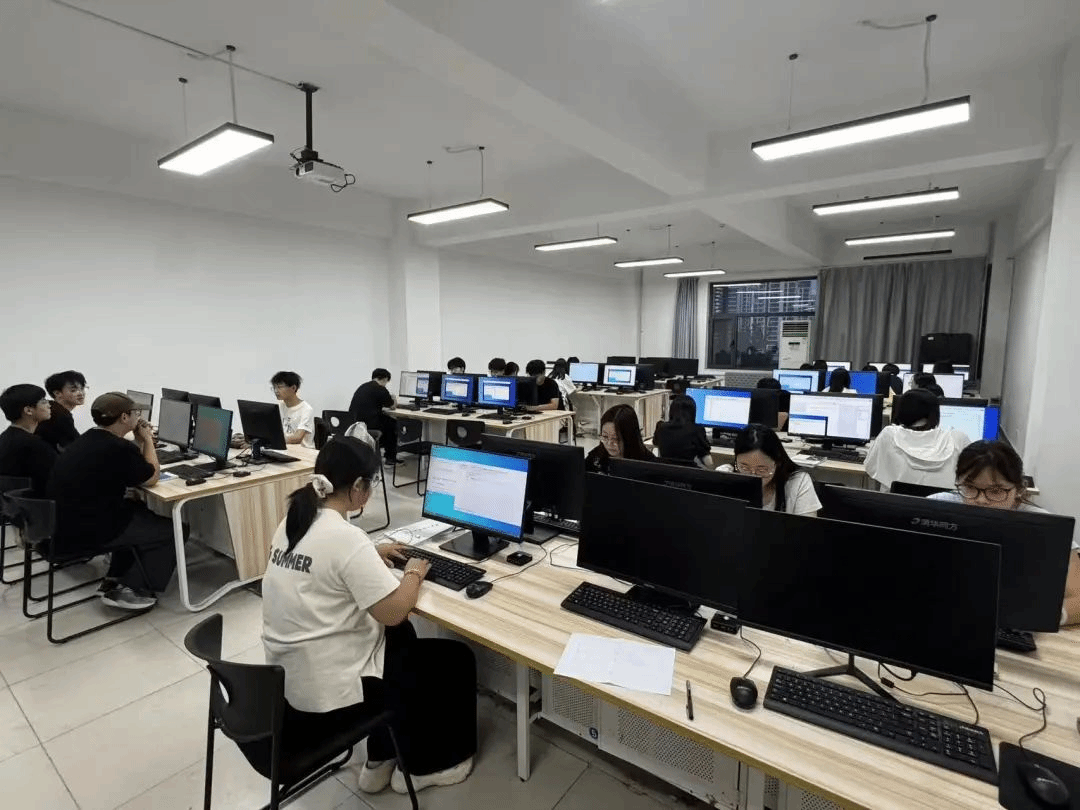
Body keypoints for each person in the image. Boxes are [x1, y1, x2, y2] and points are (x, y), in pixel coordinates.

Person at [260, 436, 477, 795]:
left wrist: (371, 551)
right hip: (331, 694)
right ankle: (426, 768)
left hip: (291, 680)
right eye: (372, 483)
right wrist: (414, 573)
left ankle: (380, 757)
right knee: (453, 658)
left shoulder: (293, 521)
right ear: (358, 487)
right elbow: (394, 611)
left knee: (402, 640)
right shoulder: (346, 538)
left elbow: (326, 562)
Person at [47, 392, 179, 610]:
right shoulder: (118, 447)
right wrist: (147, 440)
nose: (140, 417)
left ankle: (116, 577)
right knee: (173, 530)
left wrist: (138, 443)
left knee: (138, 509)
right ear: (124, 417)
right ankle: (132, 589)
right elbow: (151, 477)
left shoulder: (89, 438)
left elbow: (131, 470)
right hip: (89, 531)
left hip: (64, 525)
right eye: (137, 413)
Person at [928, 440, 1080, 625]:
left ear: (1019, 490)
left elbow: (1078, 598)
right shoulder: (935, 508)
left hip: (1016, 625)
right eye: (970, 487)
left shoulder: (1046, 527)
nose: (981, 500)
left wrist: (1035, 619)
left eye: (996, 491)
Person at [864, 389, 970, 490]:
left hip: (897, 502)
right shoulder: (958, 439)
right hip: (943, 503)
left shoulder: (889, 435)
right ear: (935, 413)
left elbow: (871, 468)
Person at [719, 424, 820, 515]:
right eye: (744, 468)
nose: (752, 476)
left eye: (762, 470)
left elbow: (807, 528)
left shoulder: (798, 481)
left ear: (777, 463)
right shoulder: (724, 475)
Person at [0, 384, 57, 495]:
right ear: (28, 410)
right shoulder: (35, 445)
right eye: (43, 402)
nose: (49, 405)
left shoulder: (4, 438)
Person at [349, 369, 399, 464]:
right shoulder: (381, 389)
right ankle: (390, 458)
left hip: (355, 423)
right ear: (385, 379)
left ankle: (377, 449)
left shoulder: (362, 387)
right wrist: (394, 397)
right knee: (392, 423)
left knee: (386, 421)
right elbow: (393, 406)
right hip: (369, 424)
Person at [585, 405, 653, 473]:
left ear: (629, 438)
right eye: (605, 436)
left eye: (616, 439)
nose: (609, 443)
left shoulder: (648, 464)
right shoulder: (596, 455)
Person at [654, 395, 713, 469]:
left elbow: (656, 444)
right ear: (692, 412)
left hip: (665, 472)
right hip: (688, 473)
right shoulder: (697, 430)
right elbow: (708, 463)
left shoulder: (661, 427)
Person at [37, 369, 87, 452]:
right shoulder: (60, 414)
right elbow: (76, 445)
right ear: (57, 393)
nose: (81, 393)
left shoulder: (52, 409)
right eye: (73, 390)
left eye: (82, 388)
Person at [271, 371, 315, 449]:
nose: (276, 391)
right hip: (285, 448)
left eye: (279, 387)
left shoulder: (306, 409)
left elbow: (297, 438)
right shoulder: (280, 406)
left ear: (293, 388)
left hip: (303, 451)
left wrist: (271, 440)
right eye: (274, 387)